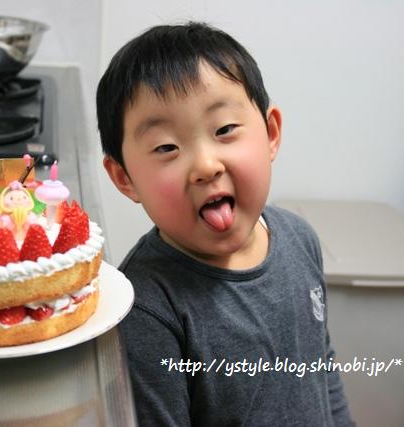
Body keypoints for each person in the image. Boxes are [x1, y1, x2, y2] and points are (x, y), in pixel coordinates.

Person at [97, 22, 355, 426]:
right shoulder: (146, 309)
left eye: (225, 130)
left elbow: (321, 368)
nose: (205, 165)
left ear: (270, 133)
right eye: (166, 147)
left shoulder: (300, 239)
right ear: (124, 178)